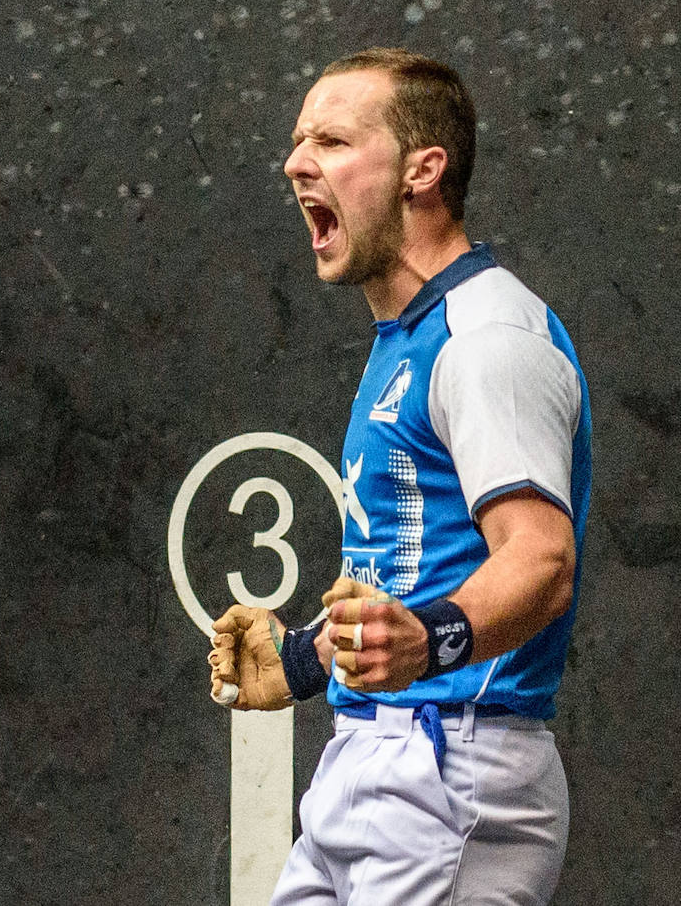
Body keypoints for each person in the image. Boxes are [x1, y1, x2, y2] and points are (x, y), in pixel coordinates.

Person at [207, 47, 592, 905]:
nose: (297, 161)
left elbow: (540, 561)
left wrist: (432, 642)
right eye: (299, 140)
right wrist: (303, 661)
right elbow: (407, 570)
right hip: (371, 755)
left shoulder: (487, 338)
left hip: (455, 767)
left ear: (424, 169)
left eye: (335, 141)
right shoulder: (406, 343)